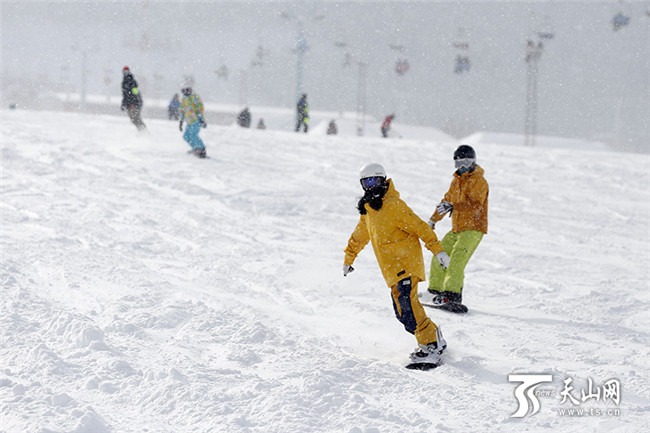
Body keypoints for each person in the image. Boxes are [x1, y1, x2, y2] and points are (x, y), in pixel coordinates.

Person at [343, 163, 451, 367]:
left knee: (408, 307)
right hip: (392, 270)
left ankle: (430, 344)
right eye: (366, 182)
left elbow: (420, 227)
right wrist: (349, 258)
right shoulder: (368, 211)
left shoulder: (394, 205)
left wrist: (438, 250)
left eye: (374, 181)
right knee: (403, 313)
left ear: (383, 180)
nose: (371, 186)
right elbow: (359, 237)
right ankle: (433, 337)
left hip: (407, 264)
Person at [427, 145, 488, 310]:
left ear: (474, 161)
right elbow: (446, 201)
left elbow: (476, 205)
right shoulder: (456, 181)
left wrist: (454, 206)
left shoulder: (479, 181)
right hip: (458, 227)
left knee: (457, 259)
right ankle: (435, 290)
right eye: (460, 162)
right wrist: (433, 220)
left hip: (474, 227)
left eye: (467, 162)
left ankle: (451, 295)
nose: (463, 166)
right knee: (441, 253)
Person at [179, 85, 207, 158]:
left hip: (196, 120)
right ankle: (195, 148)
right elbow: (182, 111)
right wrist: (181, 121)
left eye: (188, 90)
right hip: (189, 121)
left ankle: (202, 149)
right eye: (185, 90)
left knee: (193, 135)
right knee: (186, 136)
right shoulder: (184, 99)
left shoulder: (195, 97)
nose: (187, 92)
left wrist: (201, 118)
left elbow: (199, 108)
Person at [120, 66, 146, 131]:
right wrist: (124, 104)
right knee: (135, 118)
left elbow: (134, 94)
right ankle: (142, 130)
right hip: (132, 103)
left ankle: (143, 130)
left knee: (135, 118)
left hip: (133, 104)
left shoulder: (129, 81)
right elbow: (126, 95)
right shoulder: (128, 81)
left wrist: (133, 103)